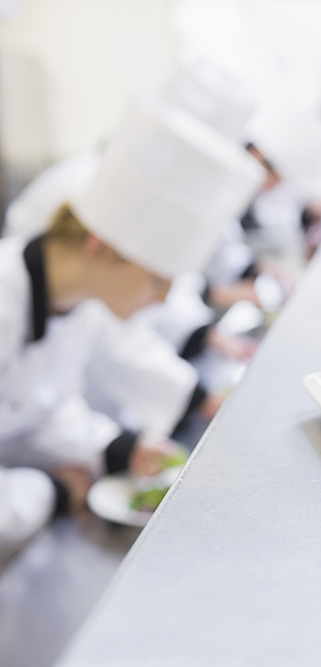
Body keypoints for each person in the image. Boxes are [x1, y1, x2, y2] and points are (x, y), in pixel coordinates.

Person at [0, 98, 263, 533]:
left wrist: (117, 448)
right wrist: (52, 492)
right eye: (157, 281)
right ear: (101, 246)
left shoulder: (77, 304)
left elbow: (38, 406)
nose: (163, 303)